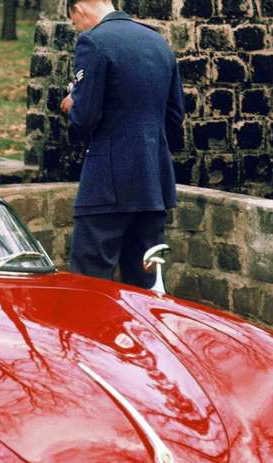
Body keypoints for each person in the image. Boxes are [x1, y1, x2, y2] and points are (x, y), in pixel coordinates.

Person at [60, 0, 184, 289]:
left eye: (74, 21)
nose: (77, 27)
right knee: (144, 285)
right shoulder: (158, 42)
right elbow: (175, 116)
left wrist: (71, 104)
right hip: (153, 181)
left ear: (79, 8)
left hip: (106, 183)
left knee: (89, 284)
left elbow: (85, 118)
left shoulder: (93, 42)